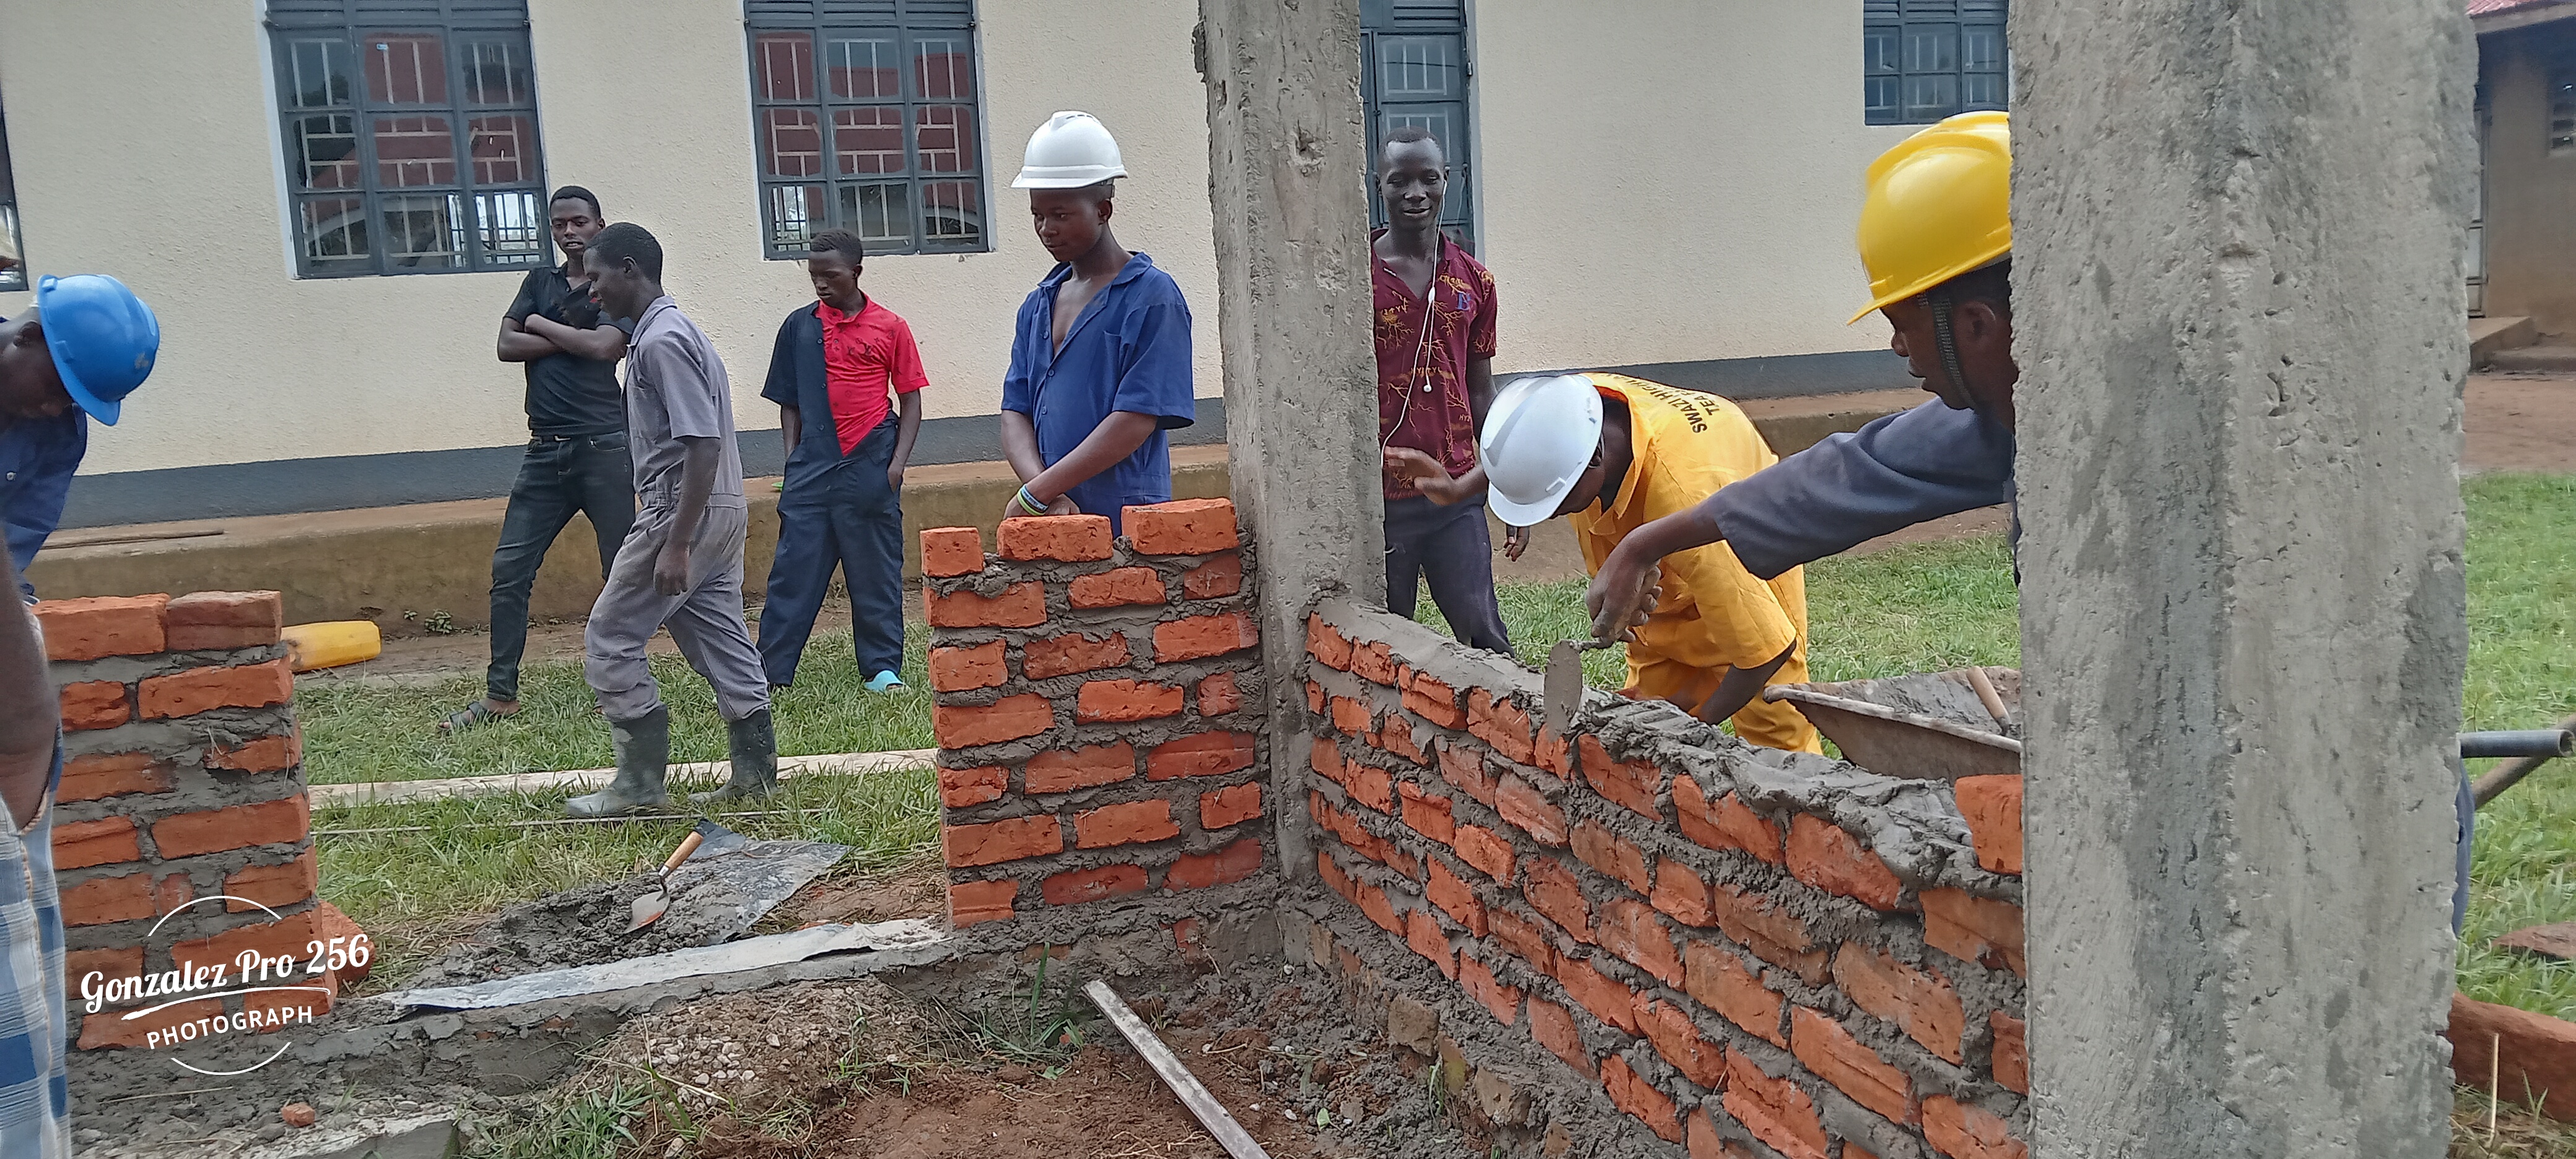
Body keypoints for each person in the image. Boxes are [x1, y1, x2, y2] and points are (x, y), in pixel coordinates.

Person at [1390, 373, 1821, 753]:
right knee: (1647, 717)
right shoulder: (1573, 408)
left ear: (1594, 458)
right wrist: (1458, 487)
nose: (1550, 514)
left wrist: (1691, 734)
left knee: (1775, 724)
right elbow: (1521, 444)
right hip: (1667, 558)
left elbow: (1766, 653)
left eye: (1555, 501)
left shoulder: (1685, 498)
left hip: (1739, 544)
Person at [567, 224, 777, 815]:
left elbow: (701, 444)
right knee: (715, 632)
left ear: (630, 269)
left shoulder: (661, 342)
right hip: (721, 507)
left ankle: (638, 788)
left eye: (598, 275)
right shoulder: (676, 333)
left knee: (610, 637)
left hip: (681, 510)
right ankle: (755, 776)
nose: (591, 290)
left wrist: (676, 542)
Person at [444, 186, 638, 734]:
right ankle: (500, 694)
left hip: (605, 447)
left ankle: (618, 689)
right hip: (544, 452)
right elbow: (506, 347)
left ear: (600, 224)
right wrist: (568, 335)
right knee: (510, 571)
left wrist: (542, 326)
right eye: (560, 225)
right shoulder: (539, 282)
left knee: (619, 572)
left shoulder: (613, 288)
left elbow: (606, 349)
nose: (570, 232)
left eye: (580, 222)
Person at [999, 112, 1194, 535]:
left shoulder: (1152, 297)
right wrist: (1043, 493)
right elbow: (1016, 411)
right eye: (1037, 215)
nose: (1046, 229)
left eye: (1061, 215)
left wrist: (1038, 494)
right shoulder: (1037, 306)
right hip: (1054, 522)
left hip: (1127, 526)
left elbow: (1137, 418)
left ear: (1103, 210)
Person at [756, 228, 925, 694]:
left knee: (875, 569)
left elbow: (910, 402)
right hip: (813, 463)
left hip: (871, 459)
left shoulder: (891, 327)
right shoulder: (799, 326)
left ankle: (881, 669)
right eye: (814, 276)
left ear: (856, 272)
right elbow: (788, 401)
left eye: (830, 276)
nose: (821, 285)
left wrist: (895, 467)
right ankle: (771, 674)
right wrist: (793, 460)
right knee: (794, 569)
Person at [1370, 127, 1513, 654]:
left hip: (1455, 494)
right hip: (1379, 498)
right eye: (1399, 181)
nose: (1415, 193)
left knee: (1484, 638)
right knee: (1384, 645)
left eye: (1428, 179)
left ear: (1447, 181)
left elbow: (1481, 392)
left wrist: (1503, 484)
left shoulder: (1475, 282)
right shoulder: (1354, 278)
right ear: (1378, 185)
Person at [0, 273, 160, 601]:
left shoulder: (62, 434)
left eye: (71, 400)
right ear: (28, 337)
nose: (53, 409)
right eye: (54, 389)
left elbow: (19, 534)